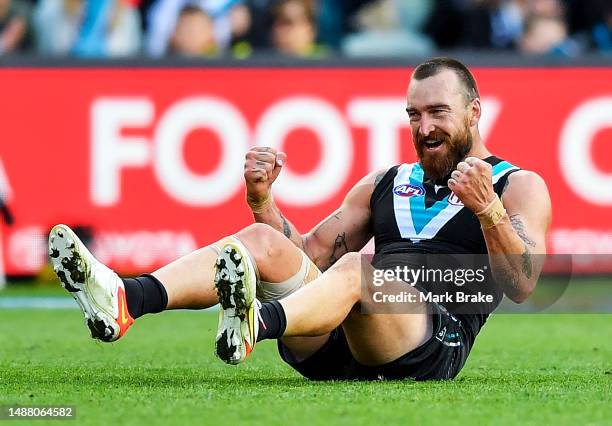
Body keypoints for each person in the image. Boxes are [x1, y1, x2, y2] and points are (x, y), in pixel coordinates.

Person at [49, 57, 551, 381]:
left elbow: (524, 283)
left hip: (428, 342)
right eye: (414, 115)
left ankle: (255, 323)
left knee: (356, 270)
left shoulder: (517, 185)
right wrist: (263, 201)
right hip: (339, 335)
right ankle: (124, 299)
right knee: (259, 241)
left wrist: (487, 209)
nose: (424, 128)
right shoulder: (386, 182)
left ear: (474, 112)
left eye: (438, 112)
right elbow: (306, 254)